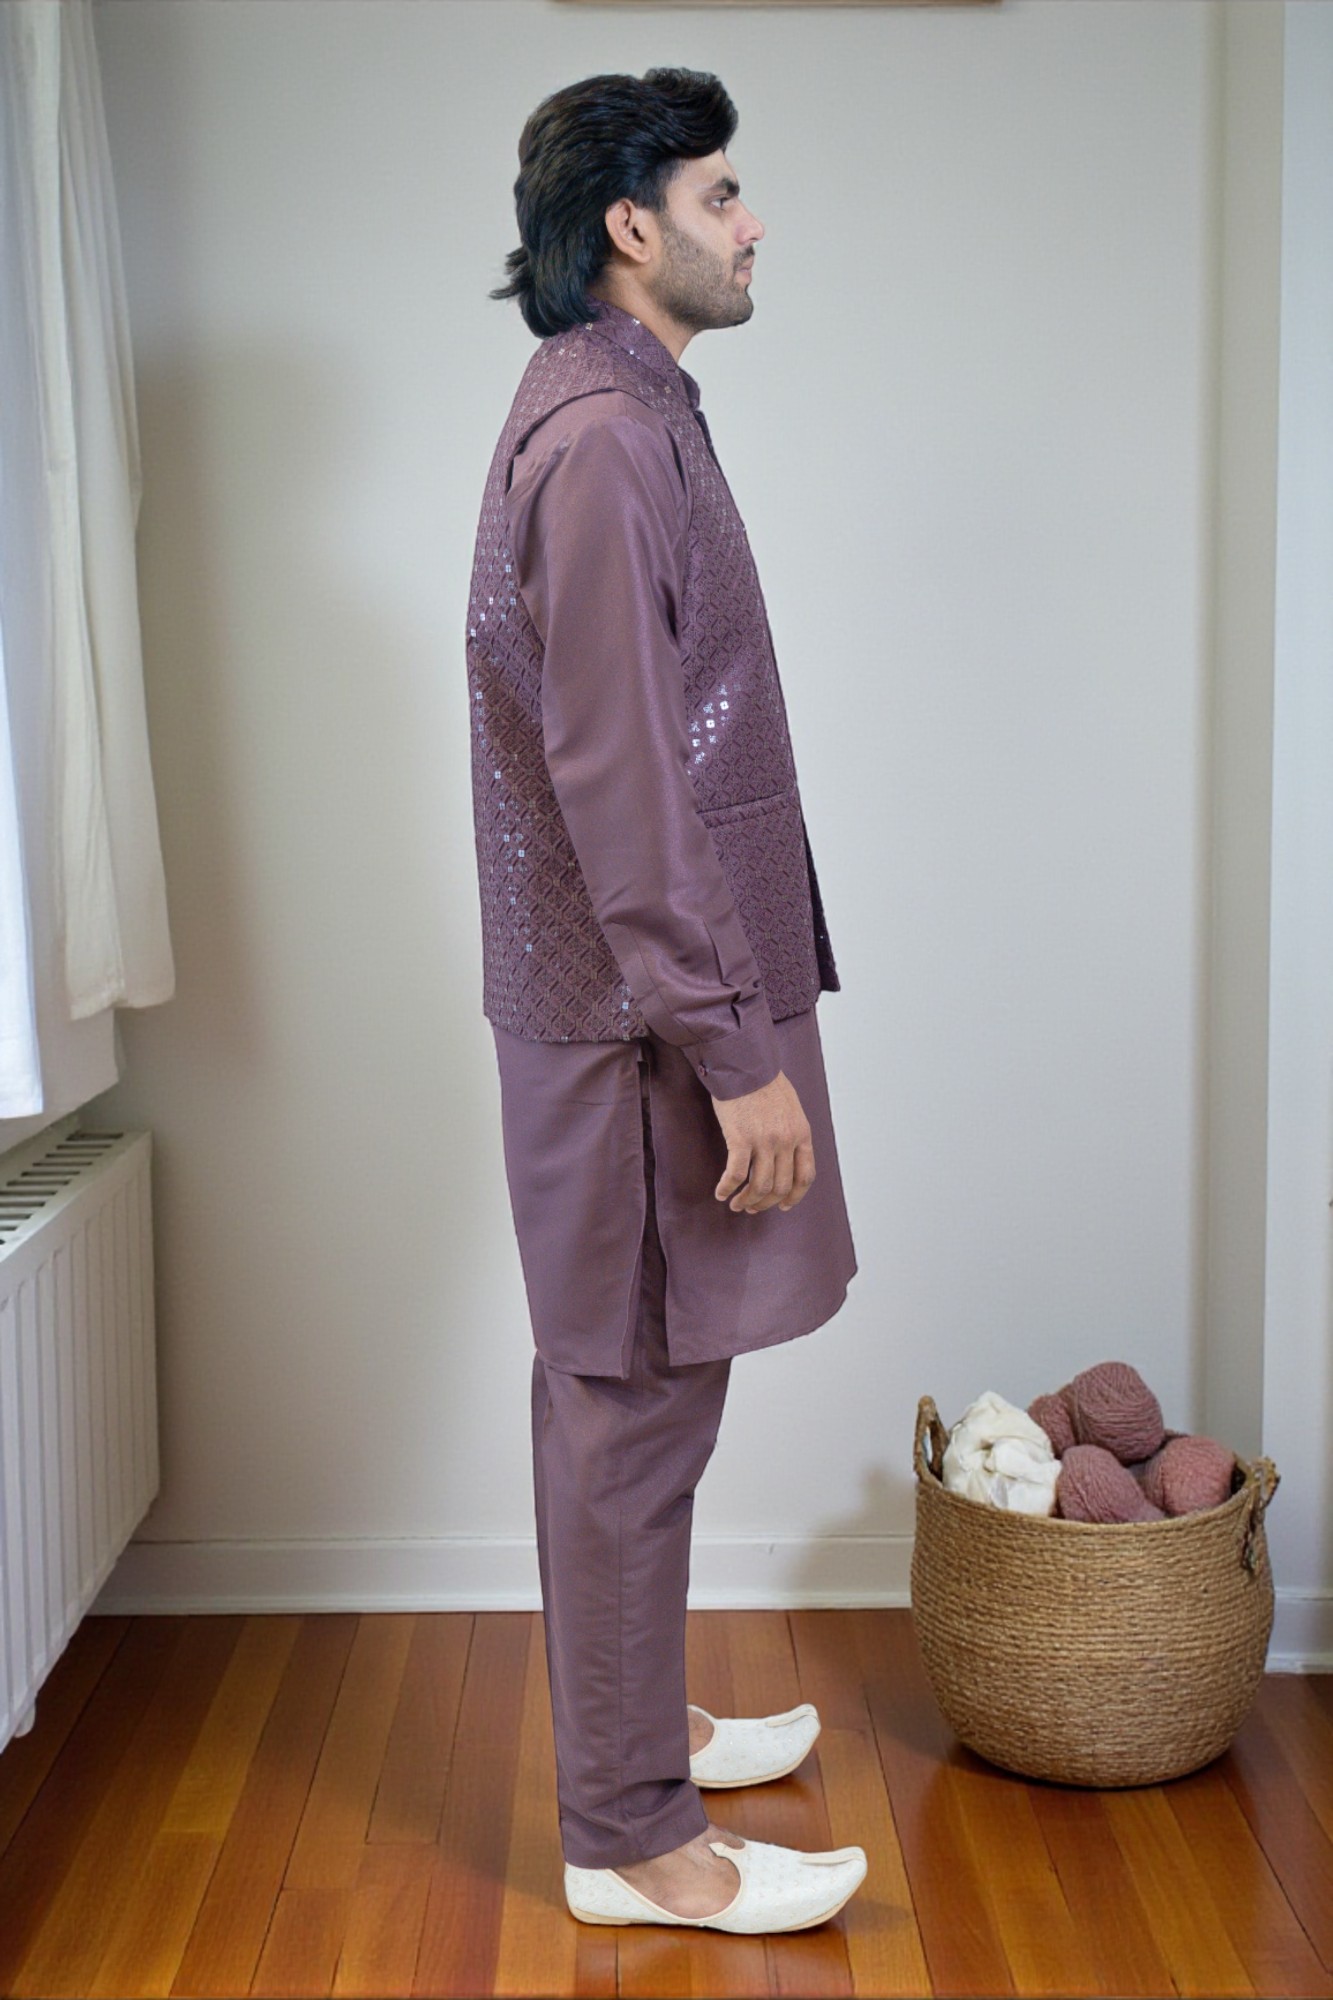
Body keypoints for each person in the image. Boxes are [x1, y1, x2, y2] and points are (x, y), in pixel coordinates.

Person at [467, 65, 866, 1935]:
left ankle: (635, 1733)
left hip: (641, 1005)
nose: (751, 220)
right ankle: (630, 1833)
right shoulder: (608, 444)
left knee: (633, 1404)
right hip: (642, 1026)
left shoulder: (624, 410)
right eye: (720, 195)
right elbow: (622, 784)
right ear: (630, 229)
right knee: (627, 1408)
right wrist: (735, 1052)